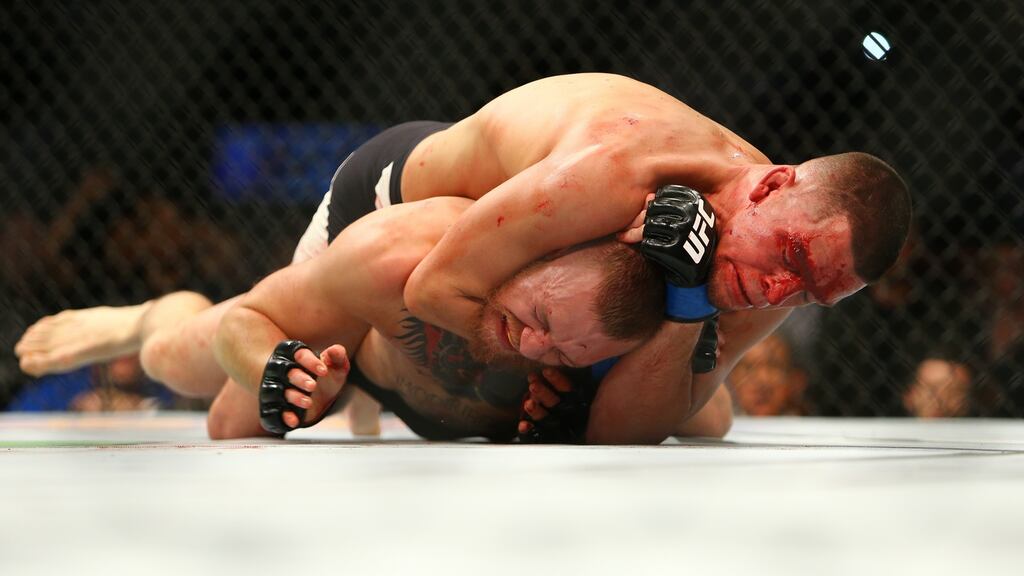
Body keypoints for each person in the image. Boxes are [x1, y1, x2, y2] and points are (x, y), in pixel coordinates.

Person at [19, 73, 912, 443]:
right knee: (213, 372)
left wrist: (686, 306)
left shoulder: (779, 271)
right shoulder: (619, 164)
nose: (780, 288)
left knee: (700, 409)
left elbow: (626, 437)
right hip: (410, 216)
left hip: (535, 299)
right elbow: (441, 283)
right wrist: (547, 369)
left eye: (810, 292)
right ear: (770, 185)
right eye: (791, 256)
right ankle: (150, 317)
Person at [16, 197, 676, 440]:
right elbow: (250, 319)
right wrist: (283, 373)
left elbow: (706, 413)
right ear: (540, 255)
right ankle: (149, 317)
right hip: (363, 259)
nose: (532, 345)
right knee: (184, 372)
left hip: (404, 368)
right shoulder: (401, 258)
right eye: (538, 314)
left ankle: (350, 392)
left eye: (562, 351)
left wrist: (694, 310)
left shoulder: (623, 348)